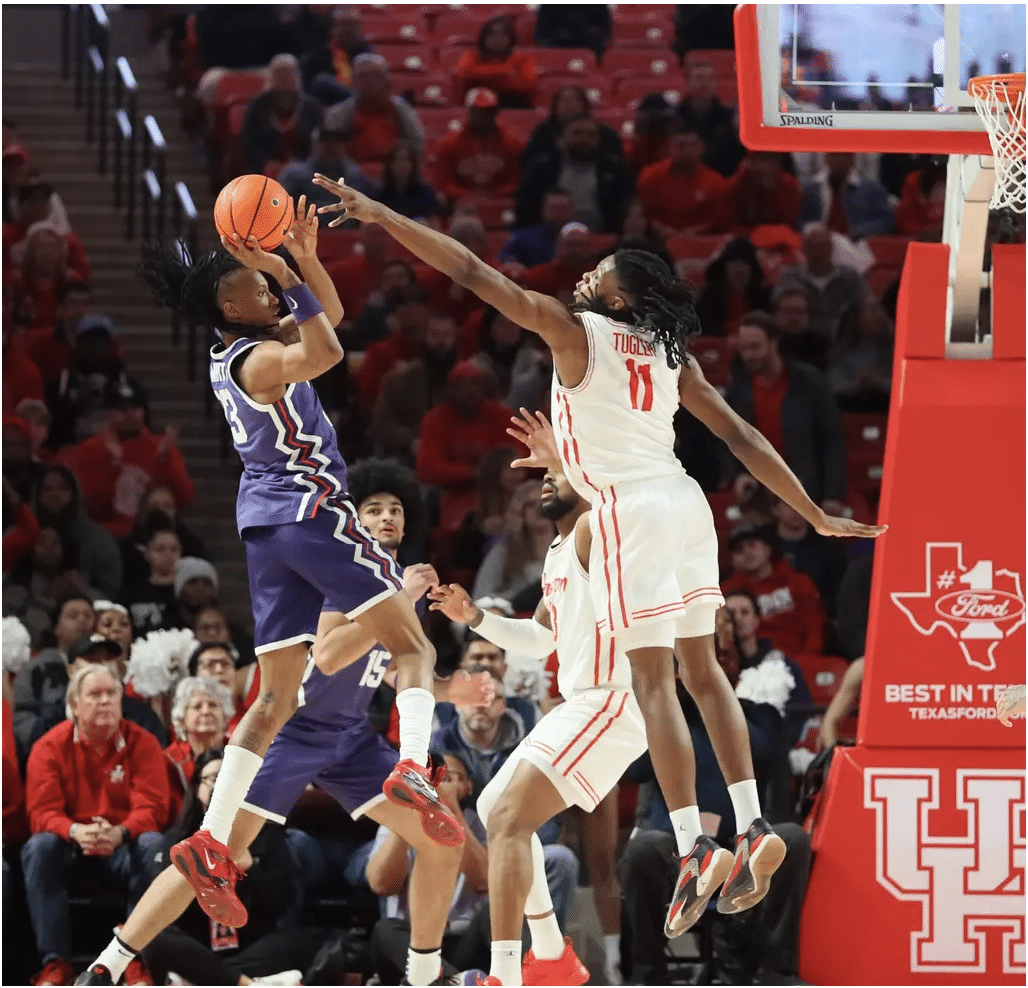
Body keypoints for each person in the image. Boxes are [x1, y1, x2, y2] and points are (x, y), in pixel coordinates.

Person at [314, 177, 885, 974]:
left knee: (652, 677)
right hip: (686, 500)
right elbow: (744, 434)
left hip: (631, 513)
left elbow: (478, 276)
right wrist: (815, 512)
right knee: (704, 672)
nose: (584, 279)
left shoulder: (575, 330)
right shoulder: (669, 352)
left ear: (626, 295)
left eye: (601, 273)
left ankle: (695, 844)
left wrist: (383, 218)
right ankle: (749, 825)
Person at [135, 195, 459, 927]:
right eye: (250, 283)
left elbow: (328, 318)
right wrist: (286, 269)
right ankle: (413, 768)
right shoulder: (260, 360)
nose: (264, 285)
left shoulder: (238, 348)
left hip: (265, 529)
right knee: (411, 640)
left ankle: (213, 845)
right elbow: (328, 351)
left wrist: (300, 262)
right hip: (312, 512)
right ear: (229, 307)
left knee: (274, 697)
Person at [75, 458, 492, 988]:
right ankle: (107, 965)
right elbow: (333, 655)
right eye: (373, 509)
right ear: (353, 521)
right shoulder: (339, 574)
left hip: (350, 739)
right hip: (292, 733)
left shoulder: (394, 589)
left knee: (444, 840)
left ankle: (426, 976)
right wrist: (400, 600)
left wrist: (453, 691)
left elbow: (391, 669)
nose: (386, 517)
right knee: (216, 851)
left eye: (396, 510)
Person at [428, 409, 650, 988]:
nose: (544, 482)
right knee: (493, 806)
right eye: (543, 478)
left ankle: (505, 973)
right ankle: (552, 952)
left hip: (611, 701)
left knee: (503, 816)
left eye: (554, 476)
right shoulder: (555, 554)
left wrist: (564, 454)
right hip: (582, 702)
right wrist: (474, 616)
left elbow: (610, 493)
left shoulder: (594, 531)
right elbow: (540, 638)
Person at [22, 664, 169, 987]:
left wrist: (121, 832)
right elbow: (41, 812)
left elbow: (154, 807)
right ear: (74, 705)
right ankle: (54, 964)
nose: (104, 701)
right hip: (71, 847)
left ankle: (135, 959)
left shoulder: (143, 742)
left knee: (153, 843)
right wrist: (75, 831)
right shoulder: (48, 747)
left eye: (111, 694)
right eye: (94, 695)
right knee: (39, 846)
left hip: (123, 846)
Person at [140, 749, 319, 986]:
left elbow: (281, 903)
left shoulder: (266, 837)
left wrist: (249, 867)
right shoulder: (177, 839)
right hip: (198, 945)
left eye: (231, 779)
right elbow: (163, 907)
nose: (222, 786)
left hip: (252, 946)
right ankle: (243, 983)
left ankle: (210, 979)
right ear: (197, 788)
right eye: (215, 778)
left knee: (314, 939)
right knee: (153, 936)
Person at [724, 312, 848, 510]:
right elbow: (729, 438)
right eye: (743, 349)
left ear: (774, 343)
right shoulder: (738, 388)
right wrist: (737, 475)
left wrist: (832, 494)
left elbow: (832, 440)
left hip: (805, 490)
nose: (748, 355)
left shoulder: (810, 382)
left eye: (755, 347)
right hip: (759, 492)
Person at [56, 379, 194, 539]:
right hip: (106, 535)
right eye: (122, 409)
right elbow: (89, 506)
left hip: (154, 536)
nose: (129, 415)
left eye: (134, 408)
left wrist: (165, 460)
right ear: (109, 413)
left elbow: (186, 498)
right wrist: (111, 467)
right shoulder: (91, 448)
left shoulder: (161, 447)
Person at [720, 524, 828, 659]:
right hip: (748, 663)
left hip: (801, 659)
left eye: (752, 544)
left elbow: (815, 628)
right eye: (739, 549)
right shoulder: (724, 593)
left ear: (767, 548)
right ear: (731, 559)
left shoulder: (798, 582)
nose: (747, 552)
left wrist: (805, 660)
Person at [516, 115, 634, 234]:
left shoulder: (615, 170)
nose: (584, 139)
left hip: (601, 235)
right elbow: (526, 208)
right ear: (561, 139)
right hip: (547, 238)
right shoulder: (542, 169)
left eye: (591, 134)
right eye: (577, 133)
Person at [324, 53, 426, 163]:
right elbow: (330, 149)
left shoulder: (400, 108)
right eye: (362, 76)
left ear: (386, 80)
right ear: (354, 81)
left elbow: (416, 143)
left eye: (375, 76)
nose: (368, 82)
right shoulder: (339, 113)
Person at [434, 89, 524, 206]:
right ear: (469, 111)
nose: (484, 116)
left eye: (489, 111)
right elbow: (443, 184)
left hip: (500, 204)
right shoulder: (448, 144)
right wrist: (468, 196)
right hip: (459, 206)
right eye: (478, 111)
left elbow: (517, 183)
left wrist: (494, 196)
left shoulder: (512, 144)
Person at [777, 224, 868, 339]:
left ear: (831, 248)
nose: (818, 252)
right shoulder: (791, 276)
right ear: (804, 249)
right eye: (813, 247)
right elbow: (778, 313)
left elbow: (866, 306)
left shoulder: (850, 277)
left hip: (845, 341)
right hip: (800, 340)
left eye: (822, 246)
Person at [635, 124, 727, 234]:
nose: (686, 151)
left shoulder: (716, 183)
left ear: (702, 147)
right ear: (669, 147)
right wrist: (661, 229)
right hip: (657, 238)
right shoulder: (650, 177)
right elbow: (643, 213)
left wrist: (692, 232)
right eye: (680, 145)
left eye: (691, 145)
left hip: (700, 240)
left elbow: (718, 221)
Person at [164, 676, 233, 820]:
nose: (206, 711)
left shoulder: (239, 754)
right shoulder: (168, 761)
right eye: (197, 706)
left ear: (226, 717)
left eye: (213, 705)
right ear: (182, 720)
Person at [241, 53, 322, 175]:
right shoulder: (258, 106)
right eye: (279, 73)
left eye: (288, 73)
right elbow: (249, 142)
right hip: (266, 168)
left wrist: (305, 164)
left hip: (306, 169)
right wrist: (264, 163)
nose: (283, 78)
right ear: (270, 77)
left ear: (298, 76)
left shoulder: (311, 106)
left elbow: (319, 141)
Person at [277, 127, 377, 215]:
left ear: (343, 146)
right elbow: (279, 206)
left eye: (336, 143)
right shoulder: (296, 174)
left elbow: (375, 200)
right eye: (326, 142)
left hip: (345, 228)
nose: (331, 147)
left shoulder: (355, 175)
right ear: (315, 144)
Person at [522, 85, 622, 172]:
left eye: (576, 100)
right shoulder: (543, 131)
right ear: (555, 105)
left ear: (585, 105)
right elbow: (532, 161)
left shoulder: (604, 133)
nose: (570, 104)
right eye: (564, 100)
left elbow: (615, 162)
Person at [800, 152, 894, 238]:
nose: (841, 159)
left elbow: (886, 222)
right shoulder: (809, 189)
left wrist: (856, 232)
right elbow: (798, 222)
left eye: (846, 154)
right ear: (826, 157)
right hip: (817, 243)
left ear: (854, 157)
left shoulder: (872, 189)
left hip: (858, 245)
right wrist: (814, 230)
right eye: (835, 154)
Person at [677, 59, 745, 178]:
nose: (704, 83)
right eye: (699, 78)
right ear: (687, 83)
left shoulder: (729, 117)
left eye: (709, 78)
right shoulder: (675, 116)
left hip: (721, 180)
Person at [118, 511, 182, 636]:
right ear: (146, 553)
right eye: (160, 549)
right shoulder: (130, 593)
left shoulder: (185, 593)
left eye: (174, 549)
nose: (168, 555)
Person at [694, 237, 772, 338]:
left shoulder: (763, 296)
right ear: (724, 269)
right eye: (733, 263)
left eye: (745, 263)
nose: (739, 267)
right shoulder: (709, 297)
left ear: (752, 270)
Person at [827, 297, 894, 413]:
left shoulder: (894, 351)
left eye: (880, 310)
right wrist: (856, 384)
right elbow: (832, 385)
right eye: (872, 310)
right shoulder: (840, 352)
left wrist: (880, 383)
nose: (879, 315)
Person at [300, 5, 370, 106]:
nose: (349, 30)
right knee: (322, 81)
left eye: (353, 25)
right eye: (344, 25)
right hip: (327, 110)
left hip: (360, 110)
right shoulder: (317, 57)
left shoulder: (368, 57)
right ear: (332, 27)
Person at [516, 223, 595, 307]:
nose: (576, 250)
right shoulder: (541, 275)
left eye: (580, 244)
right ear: (559, 246)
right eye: (570, 244)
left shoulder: (600, 277)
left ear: (589, 247)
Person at [497, 189, 576, 270]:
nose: (558, 213)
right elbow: (505, 257)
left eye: (563, 209)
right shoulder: (524, 237)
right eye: (554, 208)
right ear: (544, 210)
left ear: (572, 210)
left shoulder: (583, 239)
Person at [372, 141, 444, 226]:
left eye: (406, 160)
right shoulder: (379, 194)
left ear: (413, 164)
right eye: (396, 160)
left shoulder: (426, 193)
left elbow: (434, 227)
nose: (401, 164)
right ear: (389, 165)